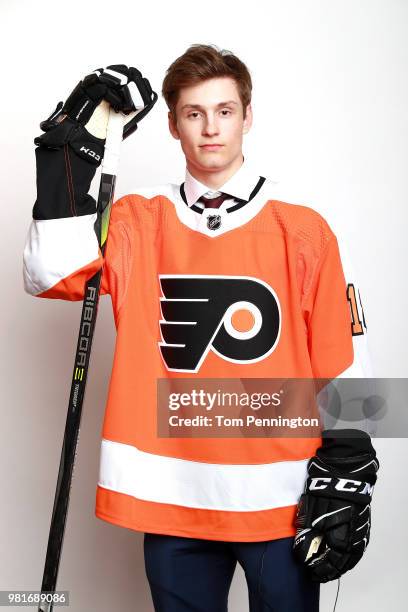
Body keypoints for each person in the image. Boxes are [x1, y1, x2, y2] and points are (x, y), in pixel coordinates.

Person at [23, 44, 379, 612]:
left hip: (279, 499)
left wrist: (348, 467)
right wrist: (72, 150)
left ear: (247, 116)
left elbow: (342, 350)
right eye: (193, 113)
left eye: (225, 111)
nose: (210, 128)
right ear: (172, 124)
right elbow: (49, 274)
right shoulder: (139, 221)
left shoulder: (303, 228)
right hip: (172, 498)